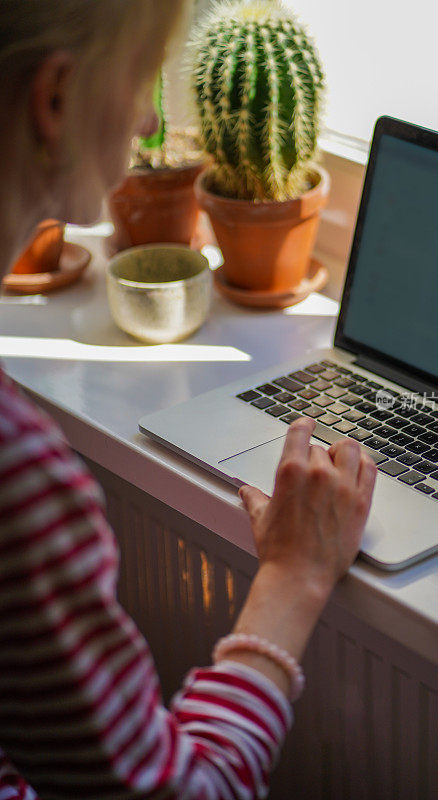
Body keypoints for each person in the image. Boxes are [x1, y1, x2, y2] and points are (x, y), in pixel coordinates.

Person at [0, 2, 377, 798]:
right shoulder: (19, 474)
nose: (144, 117)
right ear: (55, 100)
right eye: (138, 79)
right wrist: (293, 578)